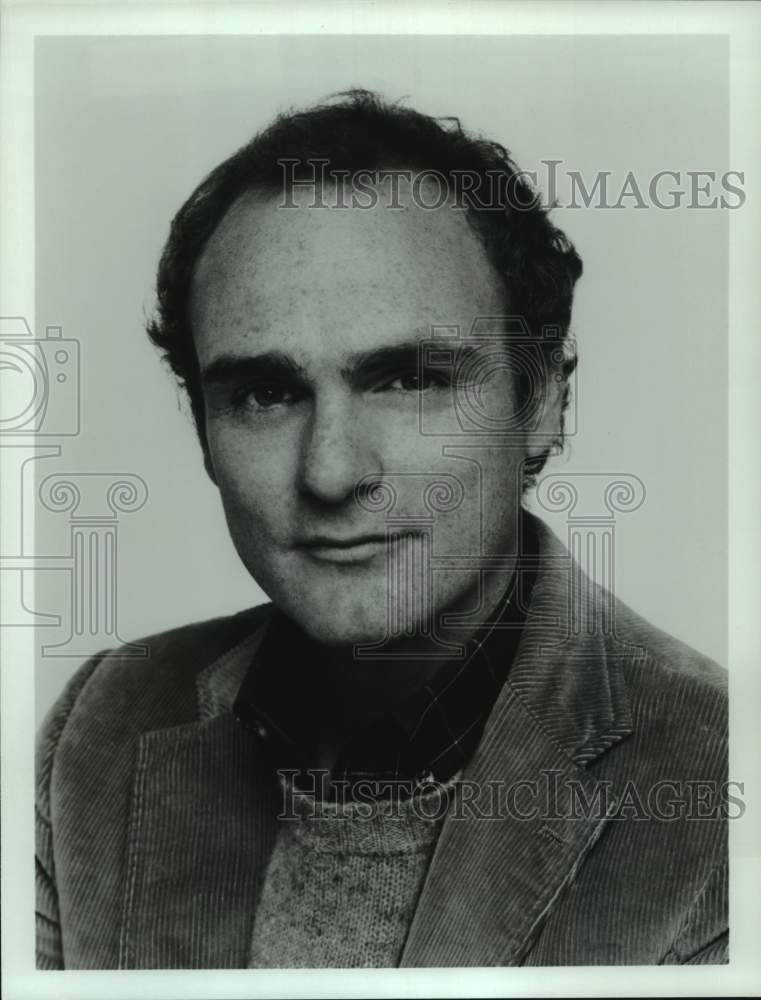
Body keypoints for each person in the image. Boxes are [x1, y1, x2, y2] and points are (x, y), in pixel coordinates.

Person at [36, 90, 728, 969]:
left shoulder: (718, 792)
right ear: (203, 428)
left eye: (406, 381)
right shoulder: (103, 721)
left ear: (545, 401)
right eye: (265, 394)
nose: (329, 472)